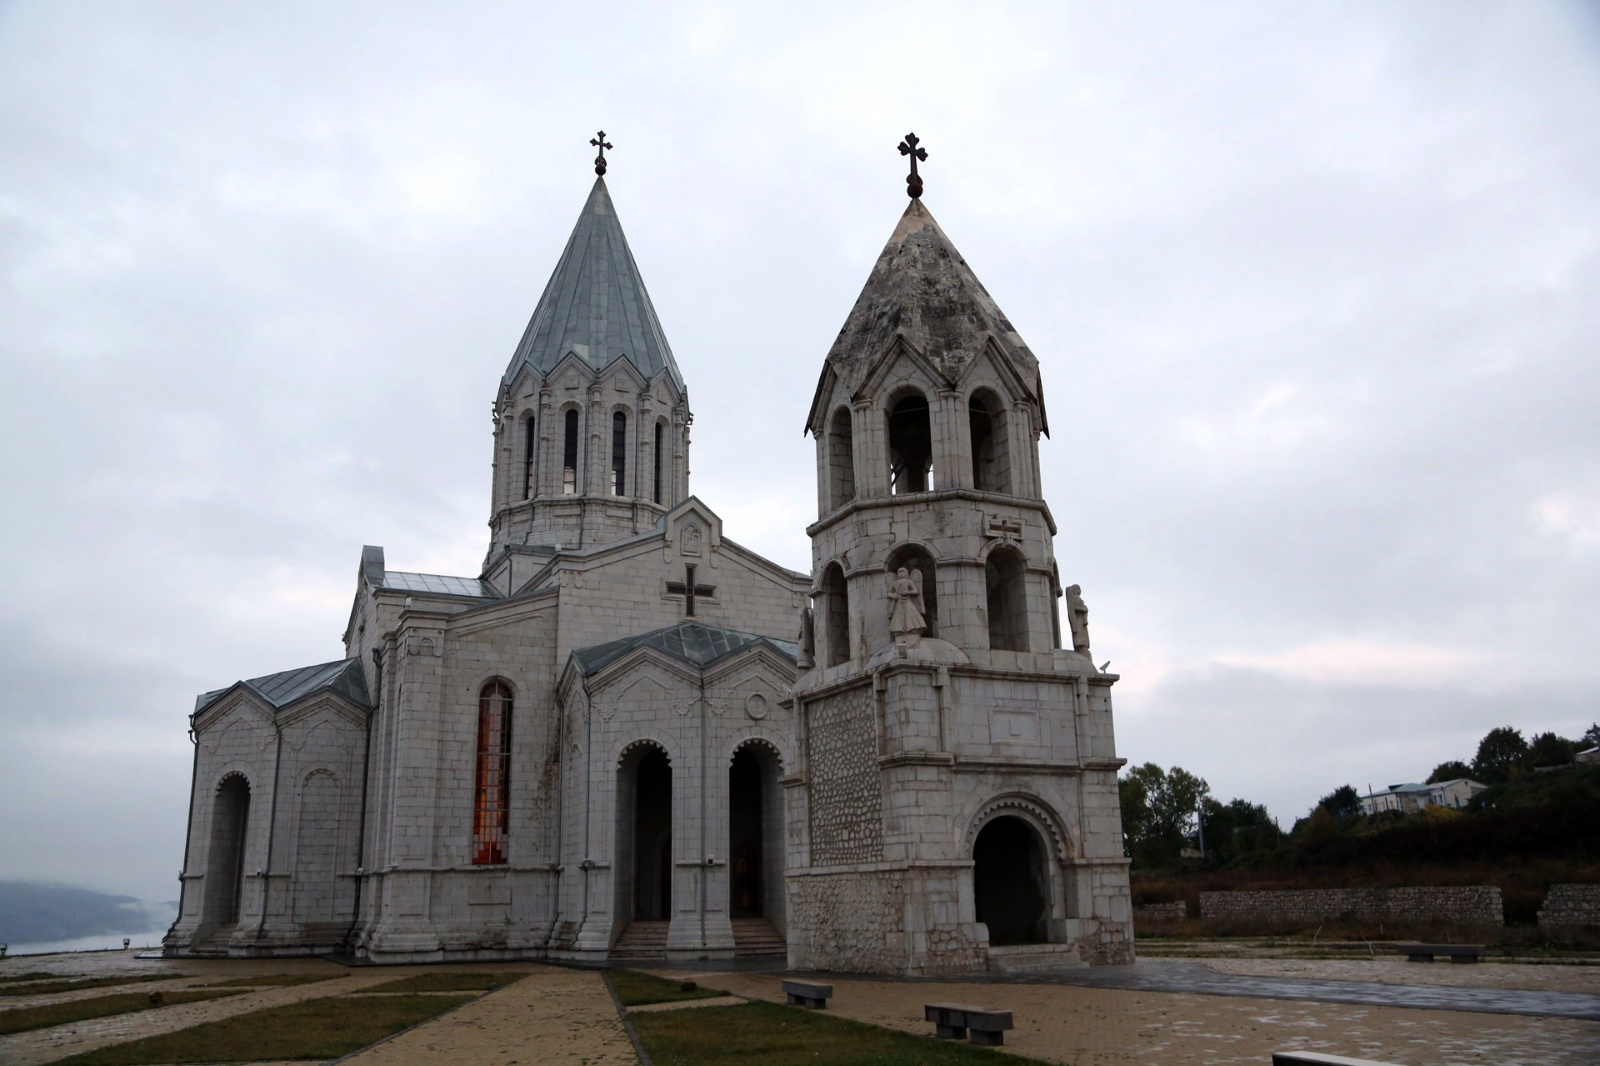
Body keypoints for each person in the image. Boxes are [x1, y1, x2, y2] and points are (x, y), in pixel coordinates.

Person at [888, 567, 926, 638]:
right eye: (899, 572)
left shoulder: (909, 581)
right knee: (898, 617)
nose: (901, 574)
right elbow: (889, 593)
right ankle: (899, 630)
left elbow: (915, 591)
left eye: (903, 572)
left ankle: (913, 629)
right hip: (899, 602)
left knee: (911, 615)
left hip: (907, 601)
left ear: (906, 573)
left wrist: (907, 592)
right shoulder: (895, 583)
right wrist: (894, 596)